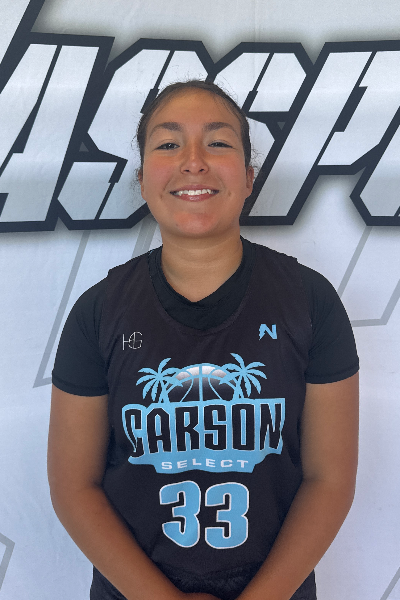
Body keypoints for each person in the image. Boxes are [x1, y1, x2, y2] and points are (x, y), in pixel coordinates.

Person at [48, 80, 359, 600]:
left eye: (217, 142)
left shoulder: (310, 301)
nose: (193, 162)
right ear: (142, 179)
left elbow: (329, 479)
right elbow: (73, 487)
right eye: (169, 144)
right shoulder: (98, 312)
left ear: (249, 177)